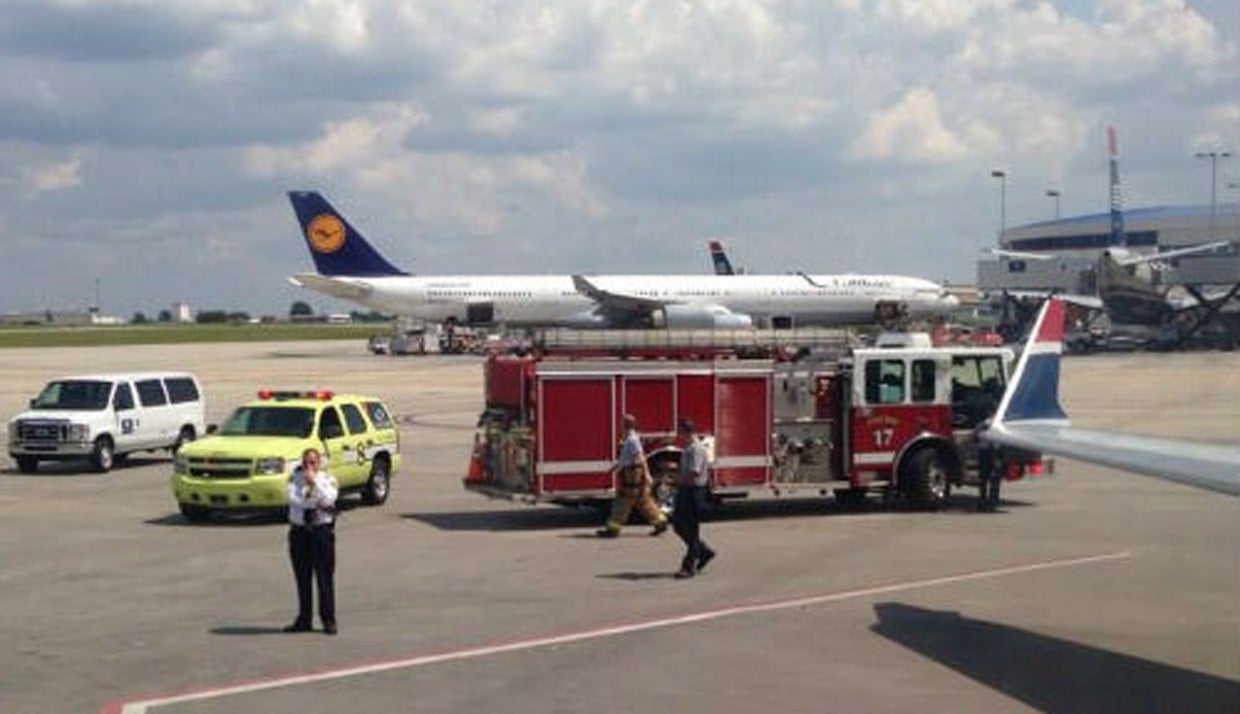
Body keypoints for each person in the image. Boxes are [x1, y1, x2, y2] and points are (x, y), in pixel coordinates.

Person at [284, 447, 339, 635]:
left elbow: (330, 498)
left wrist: (314, 482)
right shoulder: (294, 479)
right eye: (306, 462)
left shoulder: (328, 479)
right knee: (302, 578)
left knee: (324, 577)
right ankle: (304, 619)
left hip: (320, 532)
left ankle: (328, 620)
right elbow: (295, 500)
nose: (309, 466)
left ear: (319, 463)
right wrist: (313, 496)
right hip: (300, 532)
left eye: (313, 462)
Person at [597, 414, 669, 538]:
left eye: (621, 423)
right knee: (643, 501)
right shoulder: (629, 438)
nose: (619, 426)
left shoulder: (632, 440)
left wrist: (647, 476)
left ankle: (613, 529)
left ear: (626, 425)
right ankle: (660, 522)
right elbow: (627, 458)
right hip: (631, 473)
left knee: (622, 502)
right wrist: (616, 467)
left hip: (632, 475)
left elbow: (640, 457)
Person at [671, 420, 716, 579]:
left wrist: (678, 481)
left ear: (686, 431)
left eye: (680, 431)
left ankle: (688, 566)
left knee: (691, 528)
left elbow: (694, 472)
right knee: (678, 525)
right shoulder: (689, 448)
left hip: (693, 491)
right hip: (686, 490)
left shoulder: (696, 449)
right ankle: (704, 551)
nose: (678, 435)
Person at [976, 420, 1003, 512]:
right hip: (992, 453)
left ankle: (983, 500)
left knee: (983, 478)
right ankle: (993, 501)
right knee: (995, 479)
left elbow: (975, 438)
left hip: (983, 453)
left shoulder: (981, 425)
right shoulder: (997, 423)